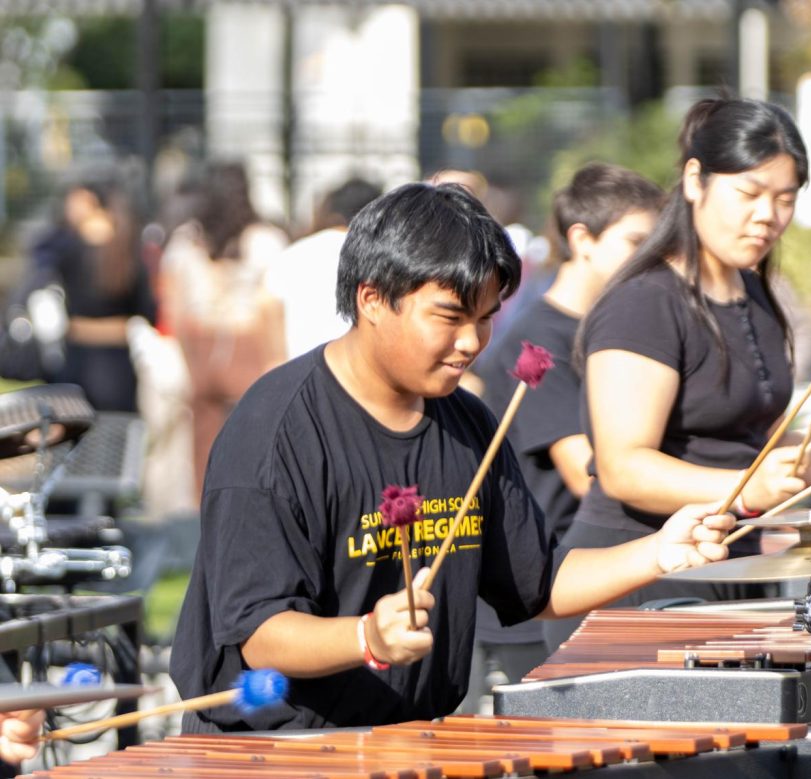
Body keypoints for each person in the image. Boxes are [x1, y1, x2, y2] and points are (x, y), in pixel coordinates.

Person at [168, 182, 734, 733]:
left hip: (411, 736)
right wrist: (366, 637)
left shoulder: (469, 425)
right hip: (278, 747)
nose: (471, 342)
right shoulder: (274, 431)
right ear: (372, 299)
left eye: (485, 318)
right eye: (450, 316)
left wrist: (660, 551)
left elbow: (538, 586)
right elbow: (259, 632)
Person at [548, 97, 811, 648]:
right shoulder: (644, 303)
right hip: (636, 584)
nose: (767, 216)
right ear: (695, 180)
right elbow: (624, 468)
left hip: (726, 570)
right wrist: (745, 492)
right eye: (748, 194)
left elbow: (767, 457)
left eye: (784, 200)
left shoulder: (755, 296)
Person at [464, 164, 664, 708]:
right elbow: (587, 473)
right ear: (581, 239)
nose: (652, 259)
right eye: (635, 242)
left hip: (593, 578)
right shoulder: (539, 340)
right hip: (541, 590)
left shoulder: (616, 330)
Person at [160, 162, 290, 502]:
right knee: (253, 442)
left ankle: (204, 518)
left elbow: (174, 308)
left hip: (201, 348)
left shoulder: (186, 241)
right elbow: (272, 305)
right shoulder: (266, 240)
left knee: (203, 445)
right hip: (250, 346)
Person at [21, 176, 157, 411]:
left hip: (77, 363)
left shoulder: (64, 249)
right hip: (121, 367)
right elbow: (148, 312)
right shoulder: (130, 249)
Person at [265, 178, 382, 359]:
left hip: (298, 374)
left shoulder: (290, 256)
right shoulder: (378, 259)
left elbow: (270, 324)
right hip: (356, 374)